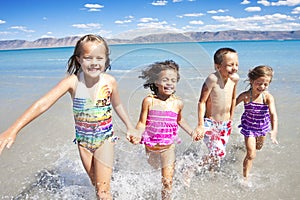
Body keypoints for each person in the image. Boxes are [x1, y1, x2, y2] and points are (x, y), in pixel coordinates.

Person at [0, 34, 135, 199]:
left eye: (99, 58)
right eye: (88, 58)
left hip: (105, 140)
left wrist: (130, 127)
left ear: (106, 59)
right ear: (79, 59)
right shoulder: (72, 82)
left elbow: (117, 105)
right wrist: (13, 130)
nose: (94, 63)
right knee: (95, 184)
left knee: (103, 191)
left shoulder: (109, 81)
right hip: (83, 143)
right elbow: (43, 104)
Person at [131, 60, 199, 200]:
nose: (169, 83)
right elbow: (142, 123)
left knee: (167, 181)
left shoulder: (178, 103)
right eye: (165, 80)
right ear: (156, 82)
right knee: (155, 172)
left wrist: (192, 132)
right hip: (151, 146)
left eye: (173, 80)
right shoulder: (149, 101)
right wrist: (136, 134)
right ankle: (178, 169)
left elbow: (180, 120)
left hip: (168, 146)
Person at [195, 47, 239, 170]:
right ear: (218, 66)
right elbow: (201, 102)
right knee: (219, 152)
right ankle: (191, 168)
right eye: (230, 65)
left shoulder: (234, 79)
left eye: (236, 64)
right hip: (211, 123)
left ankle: (211, 173)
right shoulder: (212, 79)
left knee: (217, 155)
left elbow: (233, 98)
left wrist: (231, 117)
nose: (234, 68)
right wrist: (200, 125)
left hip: (225, 125)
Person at [236, 65, 278, 183]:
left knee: (258, 147)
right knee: (251, 154)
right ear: (251, 80)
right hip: (248, 127)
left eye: (265, 84)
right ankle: (245, 178)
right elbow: (231, 107)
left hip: (262, 127)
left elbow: (273, 114)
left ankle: (241, 147)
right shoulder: (245, 96)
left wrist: (274, 131)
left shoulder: (267, 97)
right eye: (259, 83)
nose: (262, 87)